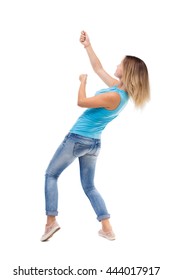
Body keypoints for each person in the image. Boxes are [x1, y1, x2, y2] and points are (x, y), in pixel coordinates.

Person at [41, 31, 150, 242]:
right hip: (93, 143)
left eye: (120, 63)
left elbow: (81, 102)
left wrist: (82, 81)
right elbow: (98, 68)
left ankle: (50, 222)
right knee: (89, 186)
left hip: (77, 139)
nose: (116, 65)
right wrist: (88, 46)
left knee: (51, 175)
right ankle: (107, 228)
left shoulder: (112, 95)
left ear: (126, 71)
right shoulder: (120, 91)